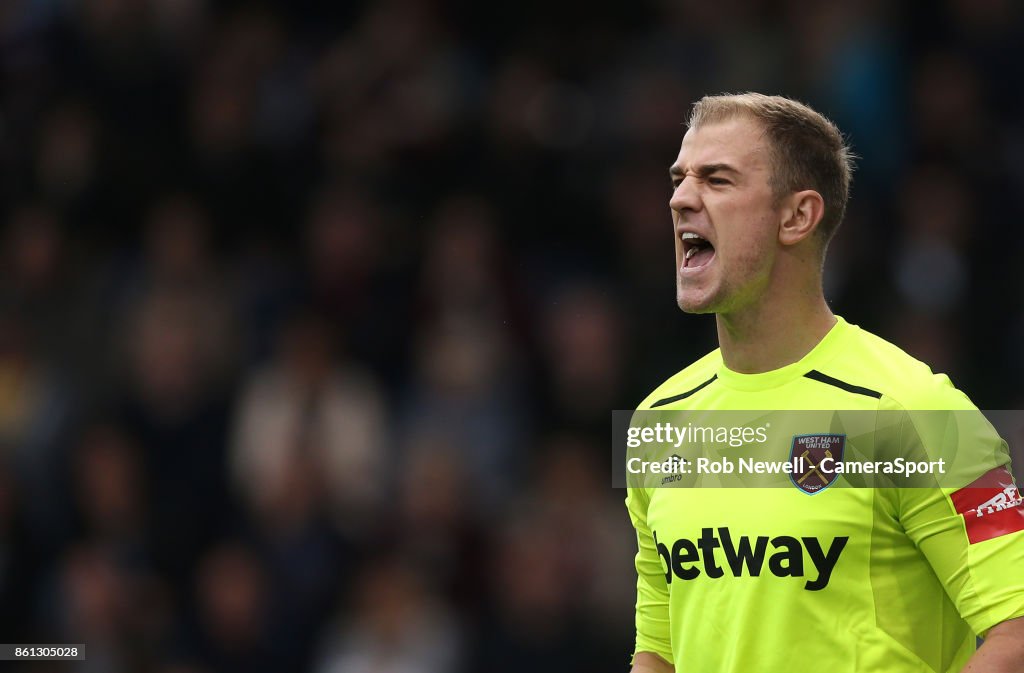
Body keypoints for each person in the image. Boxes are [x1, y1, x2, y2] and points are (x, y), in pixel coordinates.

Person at [626, 93, 1024, 673]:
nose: (681, 198)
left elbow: (1015, 632)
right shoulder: (659, 421)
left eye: (716, 180)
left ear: (797, 216)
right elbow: (657, 651)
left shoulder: (916, 410)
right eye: (679, 178)